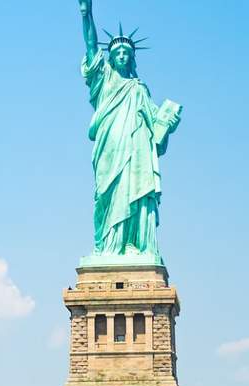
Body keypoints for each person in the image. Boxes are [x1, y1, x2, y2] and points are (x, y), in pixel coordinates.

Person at [77, 0, 181, 260]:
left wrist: (169, 121)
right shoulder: (104, 80)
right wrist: (86, 13)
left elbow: (157, 124)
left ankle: (133, 244)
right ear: (111, 58)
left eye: (126, 52)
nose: (122, 55)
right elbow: (91, 46)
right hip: (109, 146)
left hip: (136, 150)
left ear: (131, 58)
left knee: (133, 190)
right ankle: (108, 247)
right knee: (106, 194)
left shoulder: (139, 89)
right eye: (118, 52)